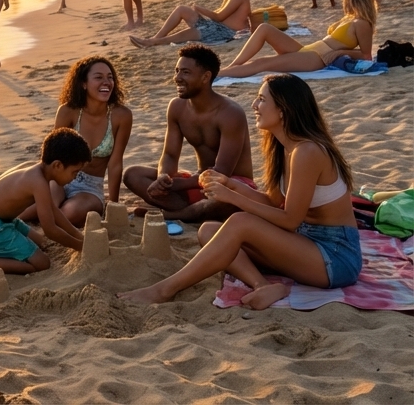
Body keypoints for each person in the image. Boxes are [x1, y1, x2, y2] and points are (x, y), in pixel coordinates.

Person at [120, 74, 361, 308]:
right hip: (305, 244)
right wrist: (231, 184)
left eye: (262, 99)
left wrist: (232, 197)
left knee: (240, 222)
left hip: (335, 256)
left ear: (283, 110)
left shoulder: (307, 152)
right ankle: (262, 285)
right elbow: (272, 202)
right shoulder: (284, 148)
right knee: (209, 230)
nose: (254, 105)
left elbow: (290, 220)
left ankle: (165, 290)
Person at [123, 45, 255, 222]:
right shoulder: (177, 107)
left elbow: (222, 172)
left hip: (232, 184)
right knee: (133, 175)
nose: (177, 78)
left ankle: (172, 215)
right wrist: (163, 178)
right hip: (196, 182)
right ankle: (191, 211)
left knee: (222, 201)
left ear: (205, 77)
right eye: (177, 71)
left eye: (185, 72)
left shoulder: (230, 113)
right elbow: (169, 155)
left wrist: (179, 185)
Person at [0, 129, 89, 276]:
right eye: (74, 172)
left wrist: (79, 236)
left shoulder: (35, 169)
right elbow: (50, 229)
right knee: (42, 263)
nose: (75, 177)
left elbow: (54, 211)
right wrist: (81, 246)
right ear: (57, 165)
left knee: (41, 241)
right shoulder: (38, 182)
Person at [18, 55, 132, 227]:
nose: (107, 82)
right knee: (35, 208)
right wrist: (45, 184)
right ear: (83, 83)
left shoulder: (121, 116)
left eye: (110, 77)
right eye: (98, 77)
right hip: (59, 178)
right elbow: (52, 155)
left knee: (68, 214)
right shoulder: (68, 111)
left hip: (90, 187)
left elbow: (115, 164)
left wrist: (113, 207)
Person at [216, 0, 377, 79]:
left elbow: (366, 55)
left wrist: (339, 53)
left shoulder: (362, 23)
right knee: (264, 28)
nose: (344, 2)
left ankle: (219, 75)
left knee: (262, 63)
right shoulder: (350, 18)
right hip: (309, 50)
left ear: (354, 1)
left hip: (317, 58)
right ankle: (232, 67)